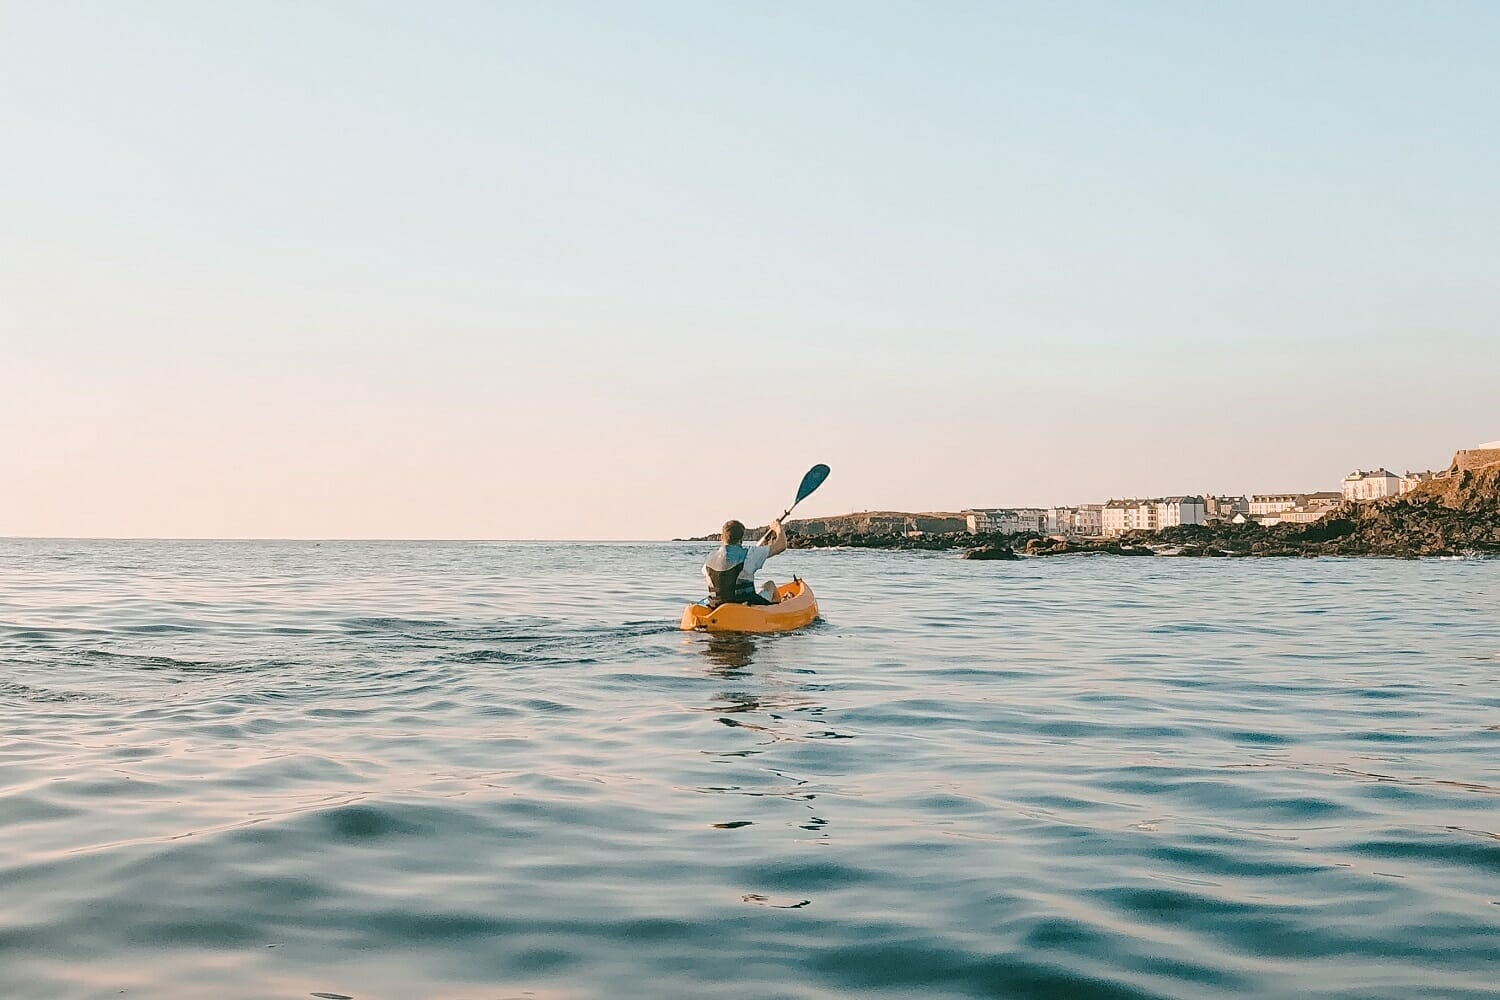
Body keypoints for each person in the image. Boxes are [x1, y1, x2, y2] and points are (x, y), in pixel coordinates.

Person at [702, 518, 787, 607]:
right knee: (769, 585)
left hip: (717, 606)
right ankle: (778, 610)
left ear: (721, 537)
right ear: (741, 539)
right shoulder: (750, 554)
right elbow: (781, 545)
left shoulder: (709, 560)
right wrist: (777, 526)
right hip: (746, 606)